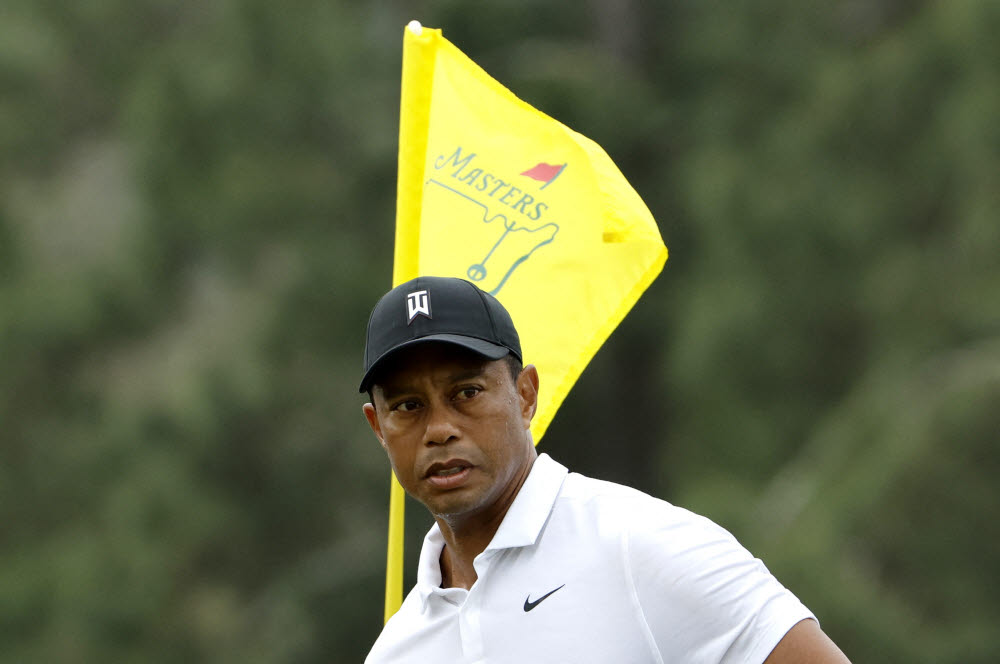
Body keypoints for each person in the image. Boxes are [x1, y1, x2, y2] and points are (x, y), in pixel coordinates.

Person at [360, 275, 850, 663]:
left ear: (526, 394)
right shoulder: (398, 648)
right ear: (378, 427)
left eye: (466, 393)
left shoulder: (642, 545)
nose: (439, 429)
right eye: (407, 406)